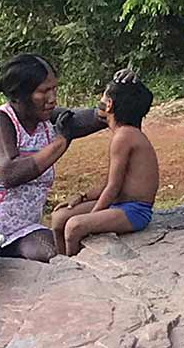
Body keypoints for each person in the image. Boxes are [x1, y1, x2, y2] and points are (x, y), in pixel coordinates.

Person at [0, 54, 111, 262]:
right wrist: (61, 142)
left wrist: (115, 94)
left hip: (21, 230)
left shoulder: (45, 118)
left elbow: (96, 118)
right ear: (19, 95)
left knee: (59, 256)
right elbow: (10, 173)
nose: (53, 98)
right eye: (44, 91)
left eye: (54, 89)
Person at [51, 78, 159, 257]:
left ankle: (75, 268)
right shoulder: (125, 133)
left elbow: (113, 188)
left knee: (74, 226)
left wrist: (92, 217)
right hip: (120, 203)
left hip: (134, 210)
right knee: (59, 218)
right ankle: (61, 261)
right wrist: (82, 197)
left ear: (109, 105)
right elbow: (112, 183)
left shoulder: (124, 136)